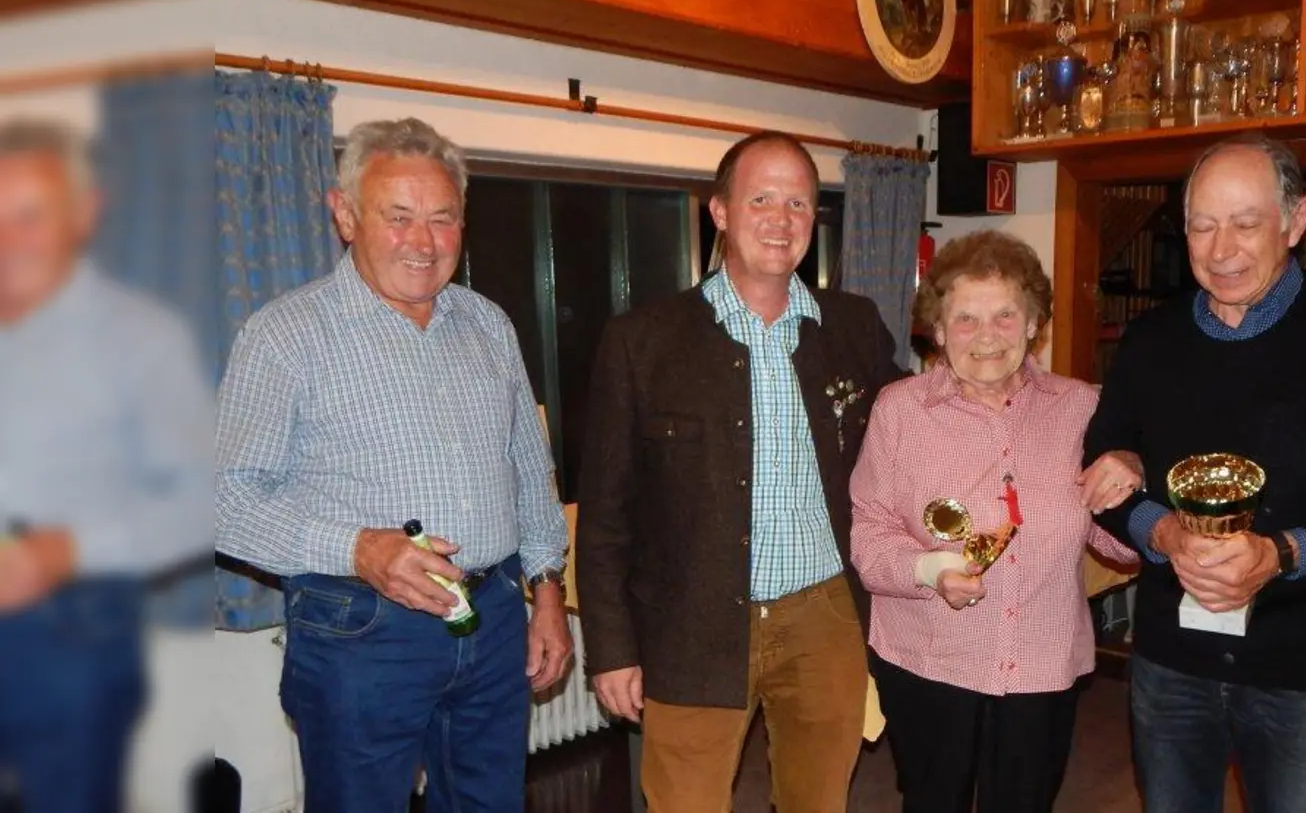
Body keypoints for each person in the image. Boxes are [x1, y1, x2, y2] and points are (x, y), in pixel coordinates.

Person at [215, 117, 572, 812]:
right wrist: (360, 549)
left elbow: (529, 467)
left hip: (494, 616)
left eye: (443, 218)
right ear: (345, 215)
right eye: (399, 216)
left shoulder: (488, 323)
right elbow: (226, 501)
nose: (424, 242)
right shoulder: (285, 336)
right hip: (359, 630)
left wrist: (548, 589)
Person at [577, 131, 903, 813]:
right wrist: (610, 648)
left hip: (826, 617)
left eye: (799, 204)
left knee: (819, 802)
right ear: (719, 210)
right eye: (761, 199)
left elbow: (913, 428)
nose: (781, 221)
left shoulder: (853, 325)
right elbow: (606, 514)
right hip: (692, 620)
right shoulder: (642, 341)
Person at [1084, 133, 1306, 813]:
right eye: (1203, 225)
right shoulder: (1151, 341)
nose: (1221, 249)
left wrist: (1283, 553)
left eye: (1246, 224)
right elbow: (1102, 469)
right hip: (1171, 661)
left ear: (1297, 220)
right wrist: (1159, 529)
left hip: (1305, 667)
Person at [850, 230, 1141, 813]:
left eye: (1006, 315)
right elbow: (869, 533)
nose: (987, 337)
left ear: (1034, 323)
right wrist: (930, 568)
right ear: (937, 331)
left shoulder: (1080, 407)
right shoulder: (899, 411)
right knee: (934, 802)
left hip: (1041, 659)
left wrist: (1132, 487)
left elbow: (1116, 543)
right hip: (930, 657)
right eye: (966, 319)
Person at [0, 118, 213, 812]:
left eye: (30, 216)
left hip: (70, 636)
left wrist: (68, 551)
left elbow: (200, 503)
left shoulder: (140, 337)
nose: (9, 241)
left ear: (84, 214)